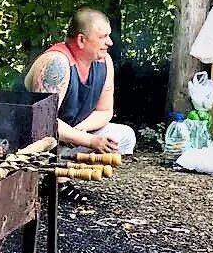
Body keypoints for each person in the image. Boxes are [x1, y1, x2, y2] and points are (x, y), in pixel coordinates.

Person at [23, 8, 136, 154]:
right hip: (39, 140)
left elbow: (105, 111)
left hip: (72, 136)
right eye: (103, 37)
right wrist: (89, 141)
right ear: (81, 40)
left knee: (125, 135)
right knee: (47, 148)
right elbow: (43, 122)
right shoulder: (56, 63)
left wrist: (81, 130)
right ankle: (64, 167)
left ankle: (71, 164)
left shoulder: (105, 61)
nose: (110, 42)